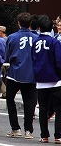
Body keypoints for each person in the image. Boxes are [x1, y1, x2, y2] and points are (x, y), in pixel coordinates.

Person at [4, 12, 37, 139]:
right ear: (30, 24)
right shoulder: (36, 37)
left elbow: (7, 57)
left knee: (10, 99)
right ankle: (28, 130)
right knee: (30, 103)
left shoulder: (12, 37)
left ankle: (15, 128)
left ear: (18, 23)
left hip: (15, 73)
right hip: (31, 74)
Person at [32, 15, 61, 144]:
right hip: (55, 79)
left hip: (40, 80)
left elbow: (33, 60)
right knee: (58, 108)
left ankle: (44, 135)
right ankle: (58, 135)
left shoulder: (35, 42)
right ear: (52, 27)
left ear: (38, 28)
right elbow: (59, 61)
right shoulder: (54, 42)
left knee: (43, 108)